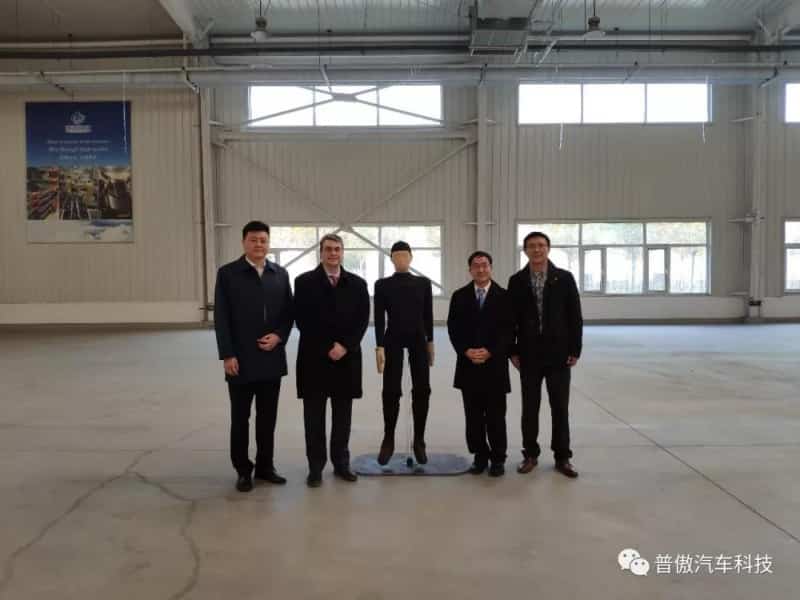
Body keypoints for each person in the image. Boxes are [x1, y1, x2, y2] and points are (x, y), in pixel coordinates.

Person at [214, 221, 294, 492]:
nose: (259, 244)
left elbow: (289, 314)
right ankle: (242, 470)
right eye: (253, 240)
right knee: (240, 418)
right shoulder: (228, 274)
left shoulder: (280, 274)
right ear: (243, 242)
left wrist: (279, 336)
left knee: (267, 418)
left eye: (263, 240)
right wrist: (227, 355)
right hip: (241, 359)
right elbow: (221, 317)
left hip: (271, 358)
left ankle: (265, 467)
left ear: (268, 243)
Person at [294, 233, 370, 488]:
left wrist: (345, 346)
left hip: (346, 360)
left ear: (342, 252)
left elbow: (362, 320)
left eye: (337, 249)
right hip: (314, 359)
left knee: (342, 418)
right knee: (313, 418)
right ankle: (315, 467)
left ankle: (341, 463)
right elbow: (302, 320)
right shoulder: (304, 282)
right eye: (328, 249)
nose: (333, 253)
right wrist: (328, 346)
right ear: (321, 252)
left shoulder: (358, 284)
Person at [508, 231, 583, 479]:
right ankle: (530, 454)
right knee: (530, 407)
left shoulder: (564, 278)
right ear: (525, 251)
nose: (537, 249)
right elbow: (510, 319)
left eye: (541, 245)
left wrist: (575, 349)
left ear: (548, 248)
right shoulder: (517, 280)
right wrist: (512, 350)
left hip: (558, 353)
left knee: (560, 407)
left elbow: (575, 316)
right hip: (528, 354)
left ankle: (563, 457)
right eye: (531, 246)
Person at [447, 251, 513, 477]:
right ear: (470, 270)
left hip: (495, 366)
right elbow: (453, 328)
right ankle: (480, 456)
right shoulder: (459, 296)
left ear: (491, 268)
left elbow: (509, 330)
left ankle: (498, 459)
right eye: (476, 266)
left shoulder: (504, 296)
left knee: (496, 416)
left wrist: (491, 351)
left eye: (485, 265)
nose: (481, 269)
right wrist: (466, 350)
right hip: (468, 365)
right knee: (473, 416)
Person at [374, 241, 434, 465]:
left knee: (422, 389)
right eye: (396, 255)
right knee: (390, 389)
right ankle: (388, 438)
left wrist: (431, 341)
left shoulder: (423, 283)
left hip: (418, 338)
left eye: (404, 255)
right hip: (393, 338)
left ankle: (419, 440)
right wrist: (379, 345)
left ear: (411, 258)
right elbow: (379, 317)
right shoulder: (382, 285)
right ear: (391, 259)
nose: (401, 259)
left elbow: (428, 314)